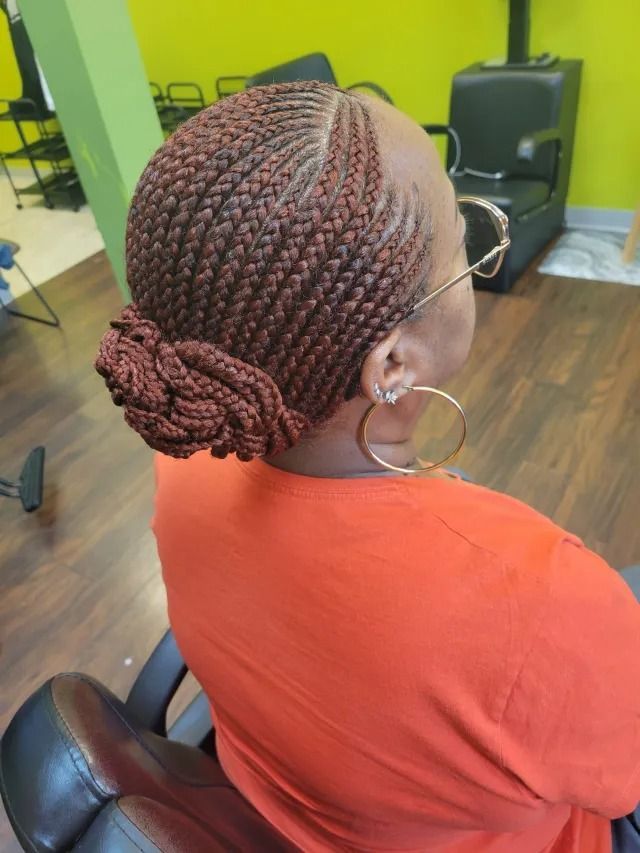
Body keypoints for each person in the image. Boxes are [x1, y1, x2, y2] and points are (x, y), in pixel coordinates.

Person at [96, 82, 640, 852]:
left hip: (278, 795)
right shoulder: (543, 605)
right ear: (392, 362)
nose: (477, 251)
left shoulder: (187, 460)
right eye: (466, 241)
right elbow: (621, 781)